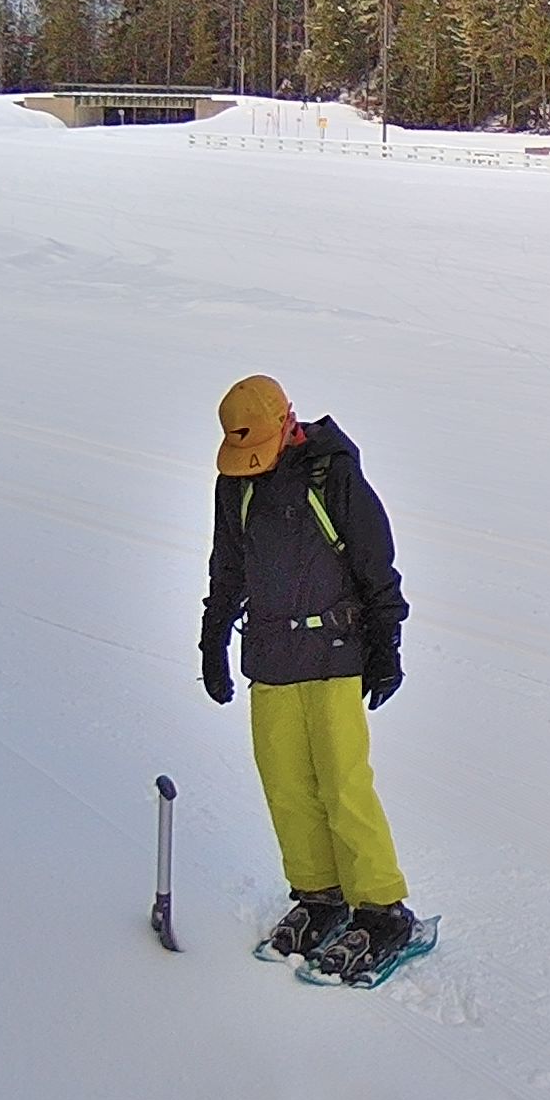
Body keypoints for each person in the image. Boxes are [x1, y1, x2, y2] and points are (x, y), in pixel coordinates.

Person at [199, 374, 418, 981]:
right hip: (271, 654)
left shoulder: (332, 473)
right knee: (286, 782)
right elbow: (228, 567)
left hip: (335, 649)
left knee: (343, 783)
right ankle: (319, 894)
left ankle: (382, 907)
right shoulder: (235, 484)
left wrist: (386, 643)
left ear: (286, 422)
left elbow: (376, 562)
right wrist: (213, 637)